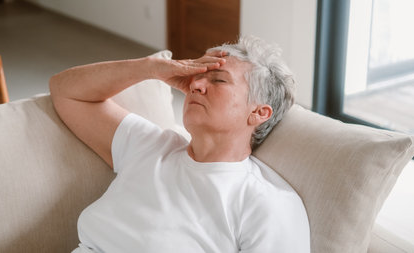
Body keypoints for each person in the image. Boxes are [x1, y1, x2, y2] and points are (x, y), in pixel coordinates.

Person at [50, 35, 310, 253]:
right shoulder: (151, 145)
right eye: (197, 75)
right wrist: (150, 69)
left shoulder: (267, 204)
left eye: (218, 79)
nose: (195, 84)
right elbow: (65, 90)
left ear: (258, 113)